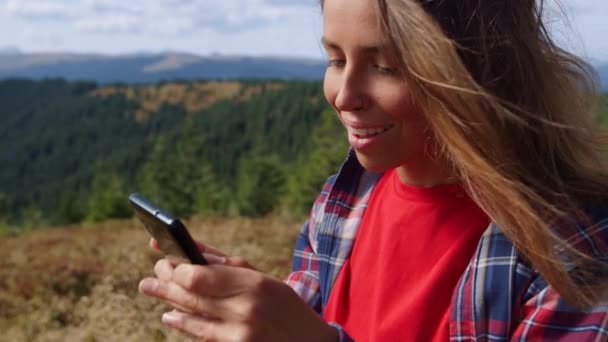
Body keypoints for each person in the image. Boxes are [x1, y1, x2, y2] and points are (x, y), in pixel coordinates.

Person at [138, 0, 608, 340]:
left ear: (476, 70)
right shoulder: (341, 203)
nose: (344, 95)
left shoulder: (571, 251)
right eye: (335, 60)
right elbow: (317, 316)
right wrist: (263, 313)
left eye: (384, 67)